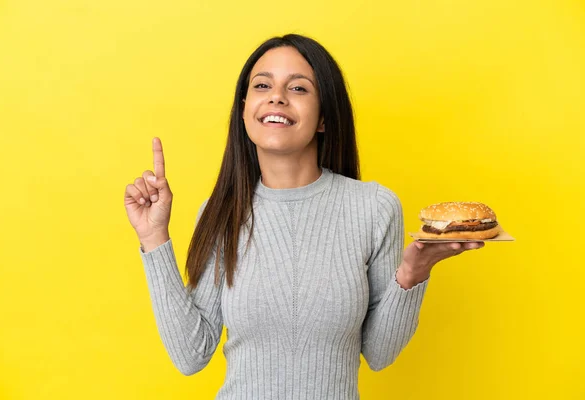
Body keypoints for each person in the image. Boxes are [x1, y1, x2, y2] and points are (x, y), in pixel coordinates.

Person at [123, 34, 484, 399]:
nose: (276, 96)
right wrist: (154, 238)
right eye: (262, 85)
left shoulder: (374, 207)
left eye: (298, 88)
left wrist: (411, 275)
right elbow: (191, 354)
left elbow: (378, 353)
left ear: (324, 117)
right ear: (246, 108)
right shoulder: (221, 212)